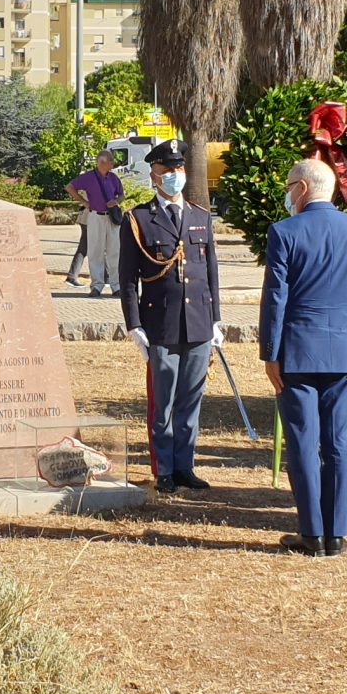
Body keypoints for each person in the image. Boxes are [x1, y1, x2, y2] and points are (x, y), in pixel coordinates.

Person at [258, 158, 347, 557]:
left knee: (303, 441)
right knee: (339, 445)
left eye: (289, 185)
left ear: (303, 188)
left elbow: (276, 297)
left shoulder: (284, 231)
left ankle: (311, 532)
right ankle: (338, 533)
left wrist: (270, 352)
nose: (287, 193)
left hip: (298, 350)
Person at [120, 139, 222, 493]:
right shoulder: (137, 219)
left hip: (198, 324)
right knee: (163, 403)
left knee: (190, 400)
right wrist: (134, 324)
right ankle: (163, 468)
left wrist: (216, 319)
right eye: (168, 171)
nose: (175, 176)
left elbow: (210, 271)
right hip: (160, 323)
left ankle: (184, 467)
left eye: (179, 170)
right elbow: (128, 278)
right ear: (154, 176)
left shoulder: (200, 216)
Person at [67, 151, 125, 297]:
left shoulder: (113, 178)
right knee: (95, 251)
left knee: (115, 251)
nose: (112, 164)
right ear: (102, 163)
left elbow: (122, 194)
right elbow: (69, 187)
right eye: (110, 161)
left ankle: (116, 285)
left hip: (111, 218)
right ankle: (97, 286)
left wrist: (116, 201)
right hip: (95, 216)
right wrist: (84, 202)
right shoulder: (88, 177)